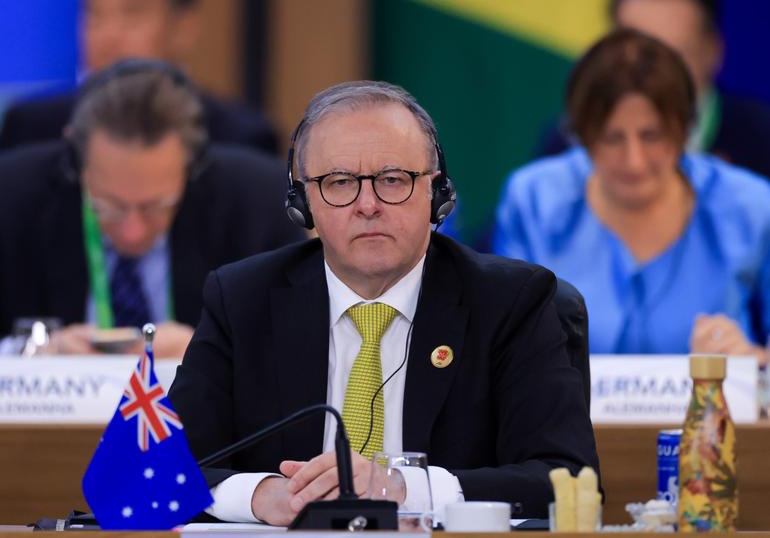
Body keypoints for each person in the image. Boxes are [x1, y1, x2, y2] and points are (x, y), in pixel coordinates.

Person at [168, 81, 599, 525]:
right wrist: (262, 495)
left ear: (436, 193)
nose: (368, 205)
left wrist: (401, 488)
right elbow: (161, 470)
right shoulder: (243, 299)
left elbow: (566, 477)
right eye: (339, 183)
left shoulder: (512, 302)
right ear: (303, 203)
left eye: (393, 180)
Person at [493, 28, 770, 362]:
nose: (634, 161)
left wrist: (754, 359)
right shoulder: (535, 199)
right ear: (581, 133)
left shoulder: (750, 205)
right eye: (612, 138)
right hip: (561, 415)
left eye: (652, 135)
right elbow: (504, 344)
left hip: (709, 414)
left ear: (684, 129)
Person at [0, 59, 304, 358]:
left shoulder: (256, 204)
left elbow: (296, 346)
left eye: (156, 206)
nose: (133, 232)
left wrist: (212, 353)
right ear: (76, 166)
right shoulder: (11, 198)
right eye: (110, 207)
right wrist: (35, 354)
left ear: (193, 166)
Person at [0, 0, 277, 154]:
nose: (108, 34)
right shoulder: (30, 128)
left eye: (132, 12)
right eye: (95, 12)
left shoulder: (241, 138)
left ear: (183, 27)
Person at [537, 0, 770, 179]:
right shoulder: (570, 139)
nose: (654, 73)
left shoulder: (762, 138)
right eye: (638, 54)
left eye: (676, 55)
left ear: (713, 51)